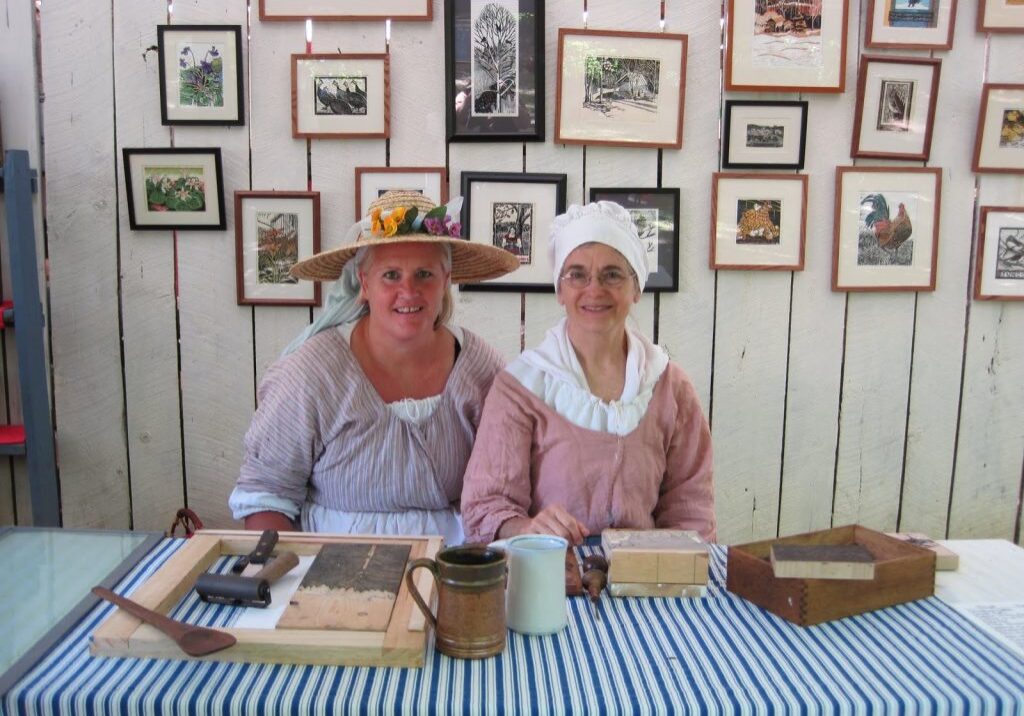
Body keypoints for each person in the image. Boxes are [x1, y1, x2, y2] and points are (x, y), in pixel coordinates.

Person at [229, 191, 519, 544]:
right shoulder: (311, 374)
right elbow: (267, 496)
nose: (408, 291)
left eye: (424, 274)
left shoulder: (478, 366)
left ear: (445, 281)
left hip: (456, 566)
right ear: (364, 284)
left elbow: (507, 482)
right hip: (334, 569)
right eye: (391, 275)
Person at [461, 201, 716, 545]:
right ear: (560, 290)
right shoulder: (521, 388)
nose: (594, 289)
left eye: (612, 274)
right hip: (550, 572)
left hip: (644, 580)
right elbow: (487, 507)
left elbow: (691, 510)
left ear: (636, 288)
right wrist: (528, 529)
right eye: (577, 274)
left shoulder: (670, 387)